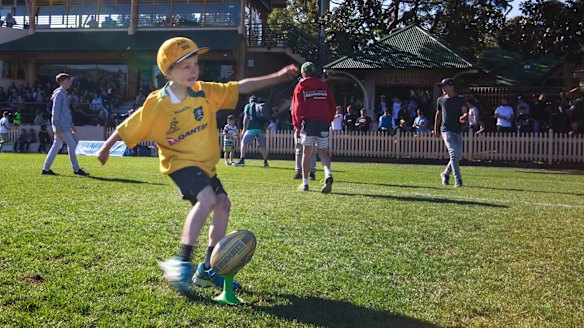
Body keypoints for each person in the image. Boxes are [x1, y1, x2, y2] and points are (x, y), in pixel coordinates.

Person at [95, 37, 298, 292]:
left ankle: (208, 270)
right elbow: (130, 125)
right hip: (179, 164)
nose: (194, 71)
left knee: (223, 204)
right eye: (185, 66)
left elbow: (240, 86)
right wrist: (105, 147)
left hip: (206, 167)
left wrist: (277, 76)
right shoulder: (158, 103)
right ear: (168, 72)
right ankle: (181, 262)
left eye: (195, 64)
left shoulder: (205, 91)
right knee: (208, 199)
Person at [291, 61, 336, 193]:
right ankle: (328, 173)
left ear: (303, 73)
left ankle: (305, 183)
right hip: (323, 121)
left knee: (307, 152)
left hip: (308, 122)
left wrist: (297, 126)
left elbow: (296, 108)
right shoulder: (323, 86)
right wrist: (329, 119)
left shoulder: (300, 86)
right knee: (323, 151)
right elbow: (332, 104)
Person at [41, 73, 89, 176]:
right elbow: (55, 111)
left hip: (62, 125)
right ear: (62, 82)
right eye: (67, 81)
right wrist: (56, 126)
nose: (69, 83)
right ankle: (76, 169)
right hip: (61, 126)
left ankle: (46, 168)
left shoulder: (62, 93)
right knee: (71, 144)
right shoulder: (60, 94)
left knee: (56, 146)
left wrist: (71, 125)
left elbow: (65, 112)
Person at [434, 78, 468, 188]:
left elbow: (465, 111)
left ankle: (445, 174)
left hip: (457, 130)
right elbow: (438, 114)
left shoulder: (460, 99)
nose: (443, 89)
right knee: (453, 153)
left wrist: (464, 116)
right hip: (446, 130)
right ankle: (458, 179)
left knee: (457, 156)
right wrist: (436, 129)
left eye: (445, 86)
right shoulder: (440, 100)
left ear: (451, 86)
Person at [234, 95, 269, 167]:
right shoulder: (260, 107)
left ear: (250, 100)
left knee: (244, 143)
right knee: (262, 146)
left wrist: (244, 129)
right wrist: (264, 127)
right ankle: (265, 162)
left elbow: (246, 118)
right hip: (261, 129)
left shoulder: (248, 106)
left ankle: (242, 160)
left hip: (251, 128)